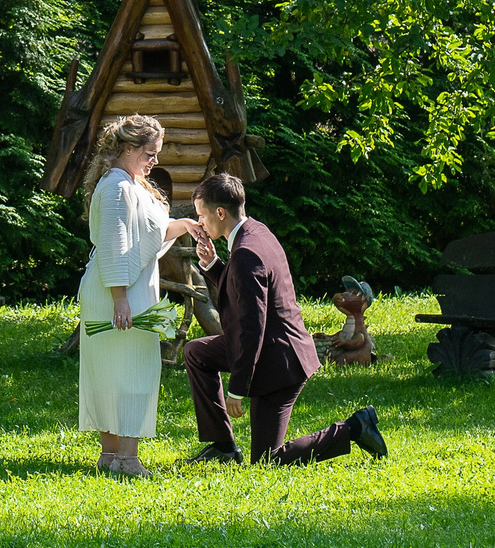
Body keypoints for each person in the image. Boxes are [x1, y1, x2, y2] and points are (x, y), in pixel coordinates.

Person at [178, 173, 388, 465]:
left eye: (202, 215)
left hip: (279, 361)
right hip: (269, 348)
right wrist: (212, 264)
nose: (199, 223)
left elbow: (252, 328)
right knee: (197, 352)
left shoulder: (246, 252)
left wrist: (237, 389)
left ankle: (354, 427)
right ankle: (223, 447)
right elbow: (244, 289)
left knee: (268, 460)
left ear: (220, 213)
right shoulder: (255, 231)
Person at [77, 115, 199, 479]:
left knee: (121, 372)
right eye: (149, 152)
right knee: (127, 373)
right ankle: (123, 458)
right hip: (117, 291)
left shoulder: (134, 184)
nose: (155, 160)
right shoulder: (115, 187)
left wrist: (188, 225)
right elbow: (115, 247)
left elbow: (151, 235)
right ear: (127, 148)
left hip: (129, 287)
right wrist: (120, 300)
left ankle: (113, 455)